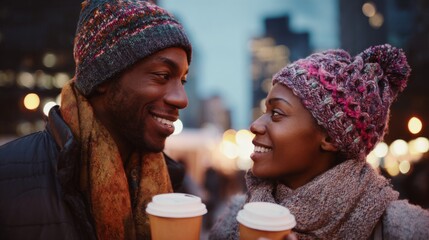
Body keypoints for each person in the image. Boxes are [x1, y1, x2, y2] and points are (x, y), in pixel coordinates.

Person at [0, 0, 192, 239]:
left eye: (182, 81)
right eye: (163, 76)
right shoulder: (7, 177)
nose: (182, 99)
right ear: (103, 79)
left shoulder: (173, 188)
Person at [209, 44, 429, 239]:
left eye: (276, 113)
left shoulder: (403, 230)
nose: (254, 125)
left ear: (330, 137)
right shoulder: (235, 221)